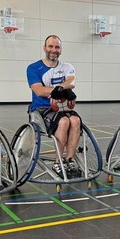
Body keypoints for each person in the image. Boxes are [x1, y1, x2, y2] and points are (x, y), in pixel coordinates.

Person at [26, 35, 81, 178]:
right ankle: (58, 162)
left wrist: (60, 89)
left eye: (57, 47)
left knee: (75, 121)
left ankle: (69, 159)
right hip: (41, 110)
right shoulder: (33, 68)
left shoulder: (67, 67)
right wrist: (59, 90)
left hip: (62, 108)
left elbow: (71, 81)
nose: (53, 50)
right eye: (50, 46)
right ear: (45, 48)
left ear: (60, 50)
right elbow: (39, 90)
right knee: (63, 122)